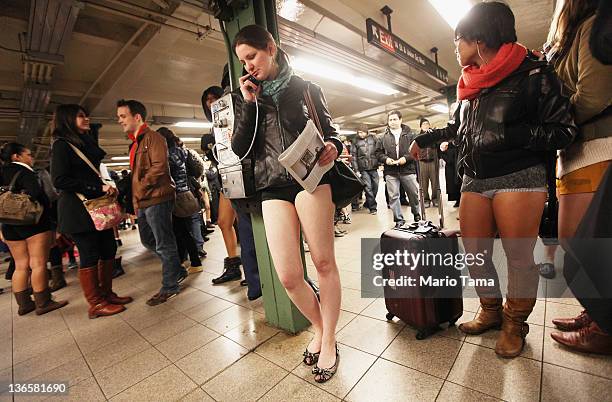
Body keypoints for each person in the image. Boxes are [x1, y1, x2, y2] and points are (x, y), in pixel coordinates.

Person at [409, 1, 577, 358]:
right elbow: (459, 129)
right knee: (475, 252)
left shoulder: (534, 73)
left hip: (519, 175)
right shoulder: (470, 84)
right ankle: (490, 309)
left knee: (518, 257)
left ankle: (515, 322)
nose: (455, 46)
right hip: (475, 177)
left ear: (480, 36)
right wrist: (424, 138)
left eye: (458, 39)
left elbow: (563, 130)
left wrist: (512, 135)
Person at [231, 24, 344, 382]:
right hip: (270, 185)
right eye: (243, 61)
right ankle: (318, 326)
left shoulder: (307, 88)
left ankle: (328, 339)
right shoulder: (247, 96)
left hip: (311, 179)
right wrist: (249, 105)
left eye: (252, 56)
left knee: (324, 262)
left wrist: (335, 147)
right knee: (289, 275)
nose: (248, 66)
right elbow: (238, 148)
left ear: (271, 47)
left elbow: (332, 131)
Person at [543, 0, 612, 354]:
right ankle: (598, 313)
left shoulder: (593, 27)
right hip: (578, 151)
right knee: (578, 243)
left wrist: (557, 123)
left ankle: (605, 325)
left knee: (588, 247)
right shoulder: (576, 34)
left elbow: (595, 94)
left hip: (597, 146)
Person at [51, 104, 132, 318]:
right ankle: (95, 304)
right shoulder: (61, 145)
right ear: (67, 119)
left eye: (85, 115)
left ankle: (107, 294)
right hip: (78, 210)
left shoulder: (81, 142)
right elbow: (59, 180)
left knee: (108, 249)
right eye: (80, 116)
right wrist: (98, 188)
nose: (86, 119)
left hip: (96, 208)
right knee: (89, 254)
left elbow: (93, 162)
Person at [117, 99, 187, 305]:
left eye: (123, 116)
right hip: (144, 201)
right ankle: (176, 269)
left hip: (157, 197)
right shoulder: (136, 143)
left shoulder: (153, 138)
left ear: (137, 117)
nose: (119, 121)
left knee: (164, 243)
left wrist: (140, 187)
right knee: (148, 240)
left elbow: (159, 167)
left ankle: (170, 286)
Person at [1, 143, 68, 315]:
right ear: (16, 156)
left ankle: (24, 305)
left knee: (21, 265)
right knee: (38, 263)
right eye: (28, 154)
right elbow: (38, 194)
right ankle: (43, 302)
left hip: (8, 224)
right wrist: (50, 215)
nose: (32, 158)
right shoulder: (25, 172)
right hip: (32, 223)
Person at [201, 87, 242, 284]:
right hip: (227, 178)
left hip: (242, 174)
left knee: (248, 224)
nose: (211, 103)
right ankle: (233, 264)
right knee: (224, 222)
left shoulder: (235, 116)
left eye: (214, 98)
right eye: (207, 100)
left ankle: (256, 266)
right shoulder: (212, 129)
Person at [157, 127, 203, 273]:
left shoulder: (166, 156)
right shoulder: (182, 152)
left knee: (180, 232)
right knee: (184, 230)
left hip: (175, 196)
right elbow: (194, 171)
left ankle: (193, 262)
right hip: (186, 193)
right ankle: (186, 261)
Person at [376, 111, 420, 227]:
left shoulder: (410, 134)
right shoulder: (382, 137)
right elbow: (378, 153)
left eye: (395, 119)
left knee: (413, 194)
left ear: (401, 120)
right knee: (393, 196)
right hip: (391, 171)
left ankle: (416, 214)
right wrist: (386, 159)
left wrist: (406, 158)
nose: (392, 122)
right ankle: (399, 220)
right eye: (390, 120)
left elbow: (415, 150)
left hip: (407, 169)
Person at [352, 129, 380, 214]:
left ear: (366, 132)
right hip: (363, 169)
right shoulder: (355, 141)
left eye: (362, 132)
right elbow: (353, 157)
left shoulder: (373, 139)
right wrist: (356, 169)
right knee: (368, 188)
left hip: (374, 167)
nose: (360, 134)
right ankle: (373, 208)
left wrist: (380, 163)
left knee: (375, 186)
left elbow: (378, 151)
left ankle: (368, 203)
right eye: (359, 132)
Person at [416, 118, 440, 208]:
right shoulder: (418, 137)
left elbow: (438, 144)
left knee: (435, 182)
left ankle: (435, 199)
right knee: (423, 182)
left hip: (433, 161)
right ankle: (426, 200)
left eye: (427, 124)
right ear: (421, 126)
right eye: (424, 124)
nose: (426, 125)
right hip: (422, 162)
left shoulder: (433, 135)